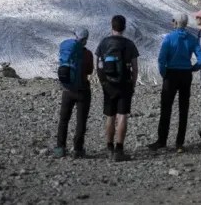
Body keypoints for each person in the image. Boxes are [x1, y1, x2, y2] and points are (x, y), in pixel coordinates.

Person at [148, 12, 201, 153]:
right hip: (186, 74)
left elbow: (162, 59)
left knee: (166, 108)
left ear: (175, 23)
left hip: (171, 75)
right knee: (183, 108)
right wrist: (194, 68)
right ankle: (179, 143)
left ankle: (162, 141)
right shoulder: (192, 39)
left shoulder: (169, 38)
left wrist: (164, 73)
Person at [95, 15, 139, 162]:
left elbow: (98, 66)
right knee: (122, 116)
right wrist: (132, 84)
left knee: (110, 116)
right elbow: (135, 67)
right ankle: (119, 150)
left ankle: (109, 148)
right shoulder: (130, 44)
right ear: (124, 27)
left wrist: (103, 82)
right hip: (124, 84)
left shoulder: (104, 43)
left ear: (111, 26)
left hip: (108, 85)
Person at [55, 28, 94, 158]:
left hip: (67, 90)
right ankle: (77, 149)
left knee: (64, 119)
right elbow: (89, 71)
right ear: (85, 40)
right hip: (82, 90)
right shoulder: (87, 54)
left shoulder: (67, 50)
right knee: (81, 121)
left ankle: (60, 148)